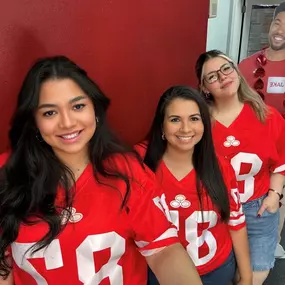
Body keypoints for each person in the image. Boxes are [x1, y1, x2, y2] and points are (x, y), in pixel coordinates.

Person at [0, 56, 203, 285]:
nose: (67, 123)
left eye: (78, 106)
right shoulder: (7, 173)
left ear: (94, 109)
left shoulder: (128, 171)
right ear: (34, 120)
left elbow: (164, 250)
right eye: (49, 112)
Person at [135, 86, 252, 285]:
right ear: (161, 126)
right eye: (175, 119)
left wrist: (247, 277)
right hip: (160, 273)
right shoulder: (139, 164)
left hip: (216, 271)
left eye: (194, 118)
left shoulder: (220, 167)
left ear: (204, 124)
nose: (186, 129)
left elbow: (236, 223)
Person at [196, 49, 285, 285]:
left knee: (254, 274)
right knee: (222, 273)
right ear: (204, 87)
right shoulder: (198, 122)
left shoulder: (268, 116)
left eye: (226, 68)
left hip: (257, 207)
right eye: (212, 76)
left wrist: (274, 195)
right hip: (216, 209)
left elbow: (281, 163)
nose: (223, 77)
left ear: (236, 71)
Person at [239, 2, 285, 259]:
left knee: (279, 195)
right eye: (277, 23)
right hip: (251, 149)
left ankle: (273, 241)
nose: (280, 30)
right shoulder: (246, 66)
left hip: (283, 149)